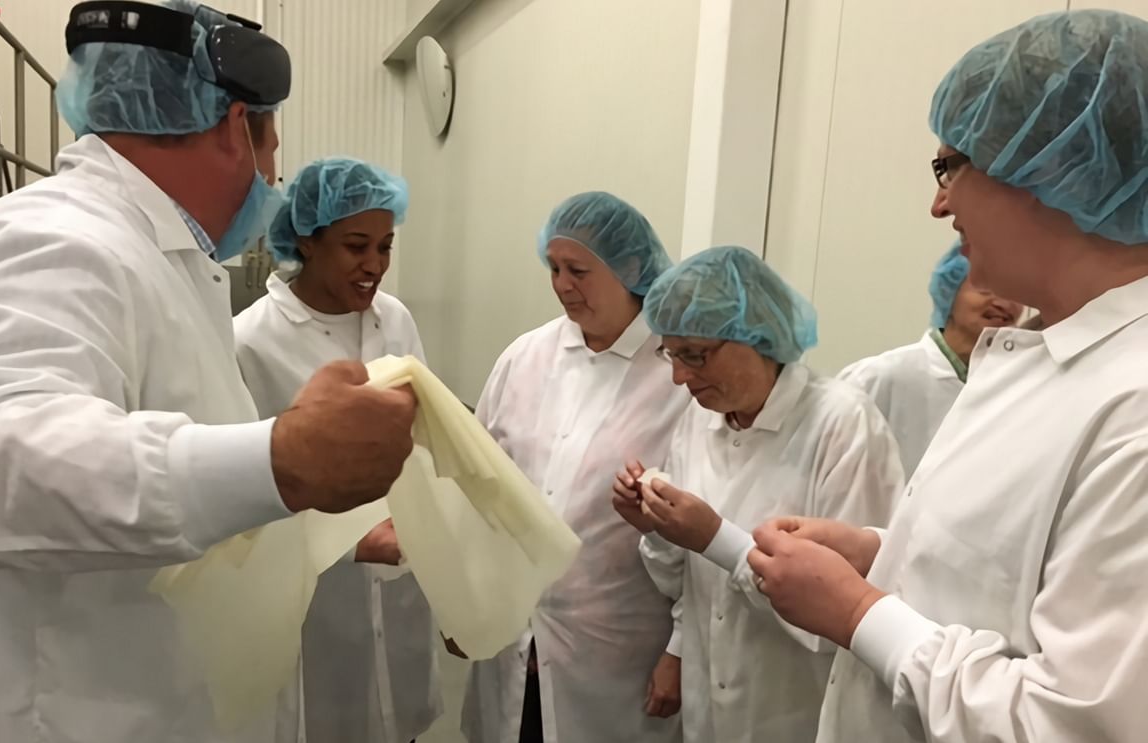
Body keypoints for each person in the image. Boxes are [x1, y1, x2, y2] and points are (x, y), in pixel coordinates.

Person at [0, 3, 415, 742]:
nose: (272, 180)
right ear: (236, 127)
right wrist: (281, 460)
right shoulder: (54, 238)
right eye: (272, 152)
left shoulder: (171, 265)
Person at [746, 10, 1148, 743]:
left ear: (1053, 166)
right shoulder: (1038, 356)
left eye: (950, 166)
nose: (940, 203)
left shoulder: (1134, 405)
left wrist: (859, 612)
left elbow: (1077, 723)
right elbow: (1009, 579)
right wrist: (880, 553)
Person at [612, 245, 904, 743]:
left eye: (695, 355)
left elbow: (847, 614)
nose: (680, 377)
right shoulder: (700, 423)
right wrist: (657, 529)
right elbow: (680, 584)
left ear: (757, 334)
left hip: (799, 715)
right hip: (709, 712)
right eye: (671, 353)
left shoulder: (842, 425)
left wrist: (715, 538)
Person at [461, 192, 690, 743]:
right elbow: (476, 484)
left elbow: (699, 530)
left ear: (631, 269)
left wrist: (680, 650)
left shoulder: (677, 374)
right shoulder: (526, 357)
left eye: (579, 270)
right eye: (554, 268)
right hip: (511, 629)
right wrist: (462, 602)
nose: (563, 284)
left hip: (618, 649)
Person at [234, 157, 441, 743]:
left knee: (396, 719)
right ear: (308, 238)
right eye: (356, 246)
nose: (374, 266)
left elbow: (424, 442)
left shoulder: (394, 321)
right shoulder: (252, 342)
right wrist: (349, 541)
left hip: (401, 581)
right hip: (312, 599)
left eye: (385, 246)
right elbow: (245, 504)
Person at [838, 241, 1023, 477]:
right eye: (986, 289)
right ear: (950, 291)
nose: (1004, 303)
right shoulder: (877, 377)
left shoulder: (1014, 385)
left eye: (1015, 292)